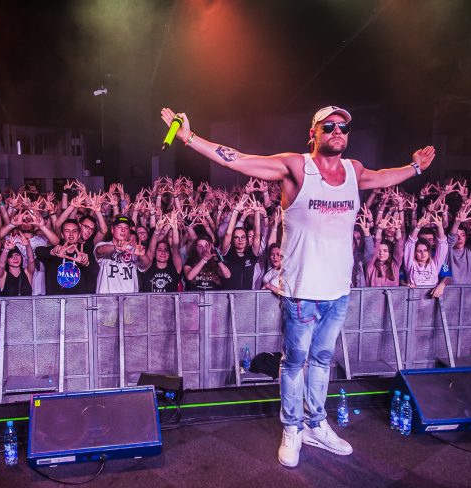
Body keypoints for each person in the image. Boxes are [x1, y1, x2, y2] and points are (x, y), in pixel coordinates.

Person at [161, 105, 435, 467]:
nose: (337, 131)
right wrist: (189, 138)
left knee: (322, 360)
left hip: (338, 292)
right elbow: (238, 159)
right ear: (313, 133)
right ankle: (292, 428)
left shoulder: (353, 171)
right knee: (293, 364)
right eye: (329, 126)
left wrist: (416, 167)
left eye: (343, 127)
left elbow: (384, 177)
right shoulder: (295, 167)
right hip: (301, 293)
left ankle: (316, 424)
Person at [94, 215, 152, 294]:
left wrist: (142, 256)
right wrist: (116, 248)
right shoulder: (103, 245)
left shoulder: (133, 249)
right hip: (107, 298)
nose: (123, 230)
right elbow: (99, 251)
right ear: (112, 230)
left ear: (129, 233)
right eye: (119, 227)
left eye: (126, 228)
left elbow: (146, 264)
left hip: (129, 298)